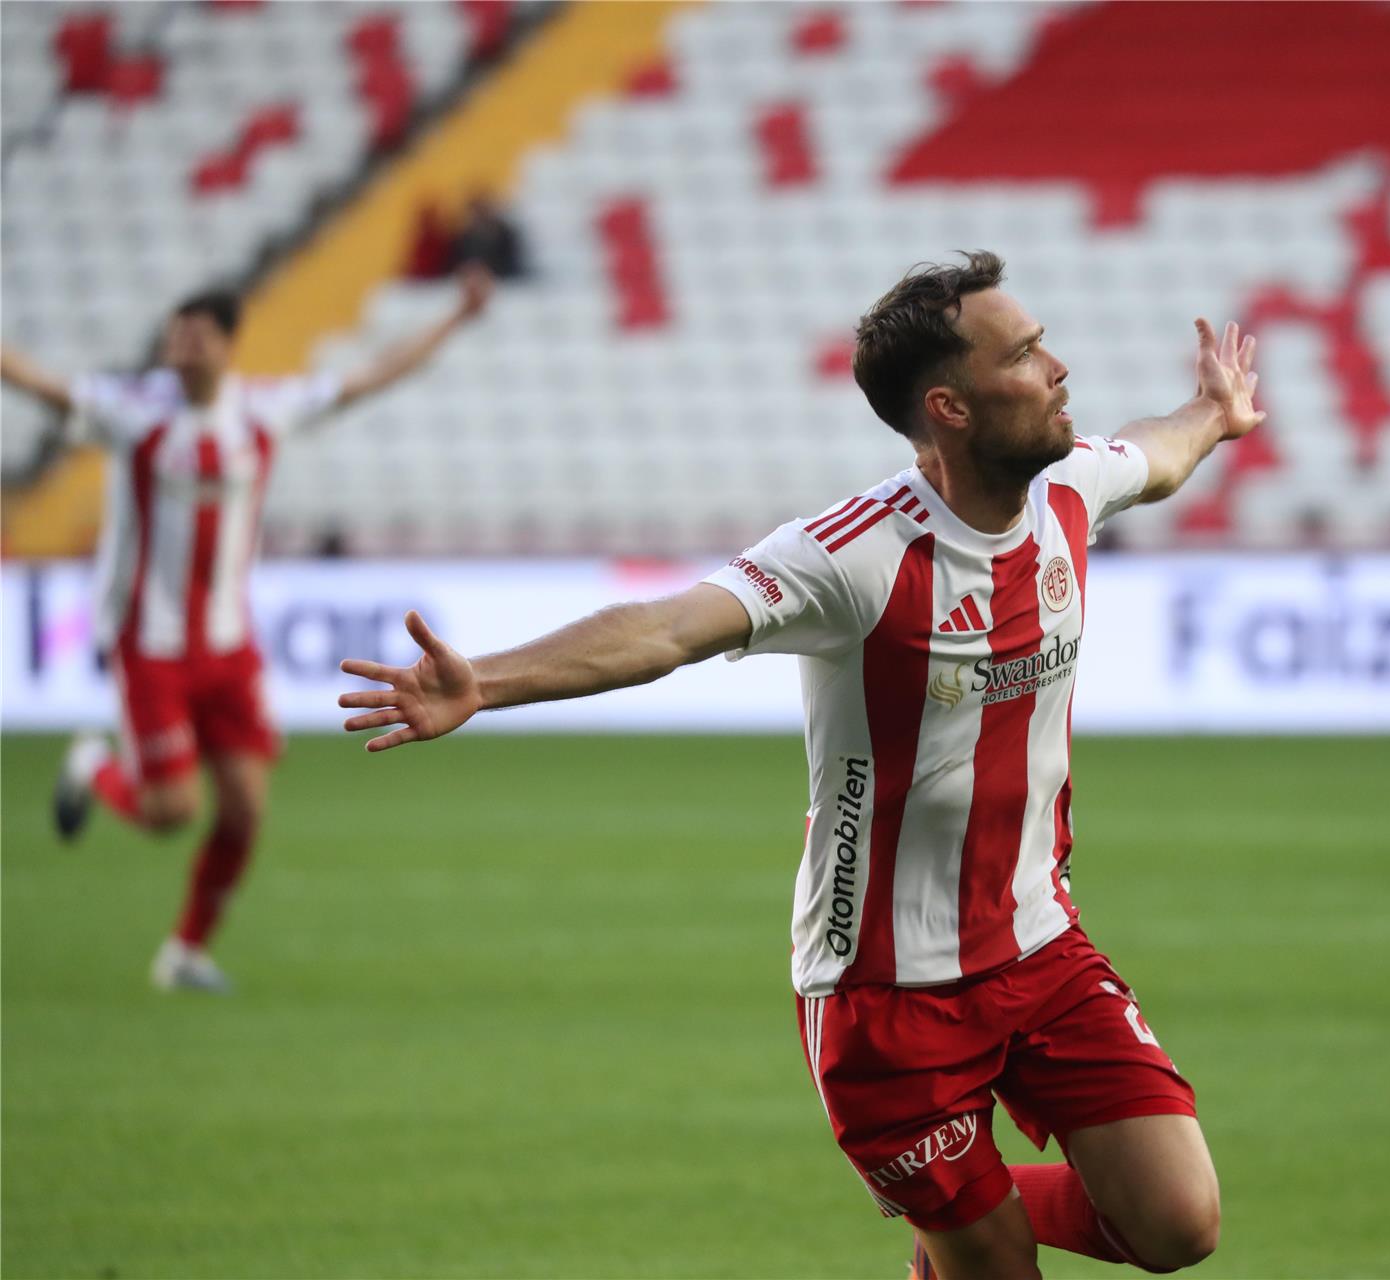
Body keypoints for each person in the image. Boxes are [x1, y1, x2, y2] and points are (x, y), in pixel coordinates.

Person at [334, 251, 1262, 1278]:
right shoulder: (854, 554)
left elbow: (1156, 453)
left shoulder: (1071, 489)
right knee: (999, 1268)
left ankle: (959, 1223)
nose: (1058, 368)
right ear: (950, 407)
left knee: (1180, 1222)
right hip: (883, 996)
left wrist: (1212, 412)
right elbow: (667, 627)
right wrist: (486, 682)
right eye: (1024, 354)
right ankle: (966, 1228)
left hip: (1038, 943)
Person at [0, 265, 494, 993]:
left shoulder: (263, 411)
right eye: (176, 336)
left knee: (245, 809)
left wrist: (454, 317)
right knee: (172, 811)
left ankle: (185, 953)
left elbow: (369, 379)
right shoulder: (134, 411)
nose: (182, 348)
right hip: (150, 645)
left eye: (197, 337)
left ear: (228, 345)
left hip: (230, 645)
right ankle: (93, 765)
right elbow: (44, 387)